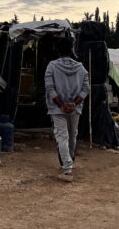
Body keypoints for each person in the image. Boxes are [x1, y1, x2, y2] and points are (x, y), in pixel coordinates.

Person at [44, 38, 90, 182]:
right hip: (75, 109)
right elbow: (86, 88)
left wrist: (61, 105)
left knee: (62, 137)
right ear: (71, 50)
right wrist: (74, 104)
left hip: (57, 109)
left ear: (57, 50)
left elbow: (50, 88)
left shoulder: (52, 66)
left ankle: (67, 167)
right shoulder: (81, 67)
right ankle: (70, 160)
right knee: (72, 135)